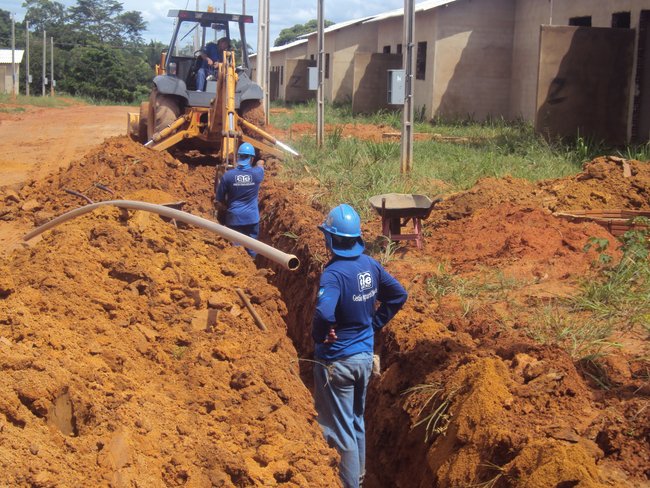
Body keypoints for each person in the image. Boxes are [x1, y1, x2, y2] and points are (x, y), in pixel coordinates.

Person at [312, 204, 408, 488]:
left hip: (337, 362)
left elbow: (323, 313)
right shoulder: (370, 265)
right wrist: (374, 323)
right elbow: (398, 295)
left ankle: (349, 484)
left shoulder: (333, 274)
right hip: (364, 359)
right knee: (356, 421)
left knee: (341, 430)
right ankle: (361, 476)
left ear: (331, 239)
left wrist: (321, 336)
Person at [215, 142, 264, 257]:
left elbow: (219, 200)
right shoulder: (258, 173)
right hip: (252, 219)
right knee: (252, 248)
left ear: (238, 157)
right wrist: (259, 161)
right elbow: (261, 164)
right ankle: (252, 269)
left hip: (234, 219)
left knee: (236, 251)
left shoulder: (228, 176)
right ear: (251, 159)